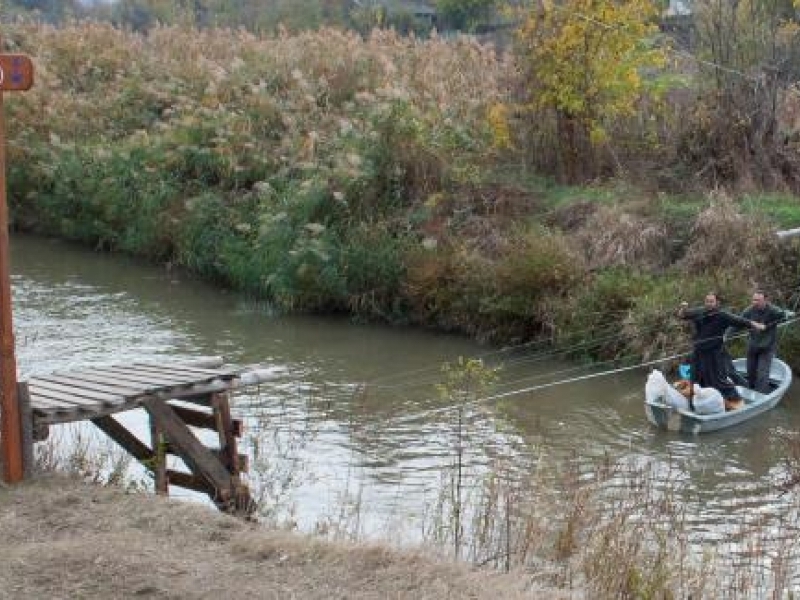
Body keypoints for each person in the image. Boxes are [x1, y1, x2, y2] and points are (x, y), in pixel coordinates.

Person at [678, 292, 765, 411]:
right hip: (698, 353)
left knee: (718, 380)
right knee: (696, 380)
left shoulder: (722, 315)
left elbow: (740, 321)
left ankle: (736, 402)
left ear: (716, 302)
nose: (709, 304)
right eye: (707, 301)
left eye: (711, 301)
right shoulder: (699, 312)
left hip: (714, 354)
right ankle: (696, 404)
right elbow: (683, 315)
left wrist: (756, 324)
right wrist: (683, 308)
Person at [737, 290, 795, 393]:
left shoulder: (773, 310)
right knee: (750, 372)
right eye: (753, 300)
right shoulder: (749, 310)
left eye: (758, 300)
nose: (755, 302)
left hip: (767, 348)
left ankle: (761, 395)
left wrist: (788, 315)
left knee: (762, 374)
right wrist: (724, 336)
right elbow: (737, 323)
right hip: (752, 346)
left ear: (765, 300)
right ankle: (749, 392)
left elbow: (783, 316)